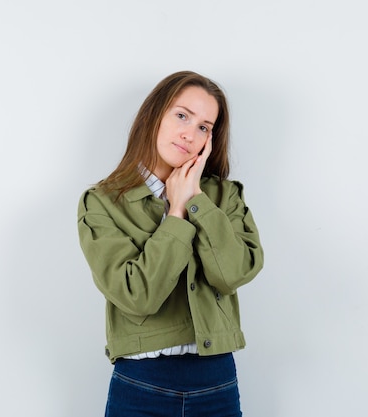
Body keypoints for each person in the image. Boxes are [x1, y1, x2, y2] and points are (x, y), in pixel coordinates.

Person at [77, 71, 264, 417]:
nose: (189, 135)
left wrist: (196, 202)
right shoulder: (102, 202)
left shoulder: (225, 196)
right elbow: (138, 296)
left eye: (204, 127)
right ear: (153, 116)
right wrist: (176, 214)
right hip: (141, 385)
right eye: (182, 116)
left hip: (217, 381)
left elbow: (233, 273)